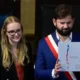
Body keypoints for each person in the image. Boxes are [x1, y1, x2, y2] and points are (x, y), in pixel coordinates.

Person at [34, 4, 80, 80]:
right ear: (54, 22)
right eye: (62, 23)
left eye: (69, 23)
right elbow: (37, 73)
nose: (66, 26)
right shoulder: (44, 43)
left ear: (73, 20)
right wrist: (53, 72)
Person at [0, 16, 34, 80]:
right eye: (12, 32)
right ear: (6, 33)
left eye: (18, 30)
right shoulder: (1, 50)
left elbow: (30, 73)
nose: (16, 34)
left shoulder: (27, 46)